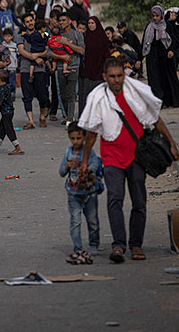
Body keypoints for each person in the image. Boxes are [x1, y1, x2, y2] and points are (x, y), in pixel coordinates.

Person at [79, 58, 179, 262]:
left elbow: (155, 119)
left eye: (119, 76)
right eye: (112, 77)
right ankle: (118, 245)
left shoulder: (136, 93)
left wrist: (171, 143)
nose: (116, 81)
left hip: (136, 158)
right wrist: (84, 160)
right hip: (112, 158)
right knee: (114, 198)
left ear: (124, 75)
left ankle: (136, 245)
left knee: (139, 201)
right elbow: (91, 134)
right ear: (104, 77)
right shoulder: (99, 98)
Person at [59, 122, 102, 264]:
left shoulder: (89, 152)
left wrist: (88, 169)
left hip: (90, 192)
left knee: (92, 220)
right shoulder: (68, 153)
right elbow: (61, 172)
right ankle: (78, 247)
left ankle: (94, 244)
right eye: (73, 138)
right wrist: (67, 166)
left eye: (79, 138)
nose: (76, 141)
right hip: (73, 193)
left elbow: (96, 164)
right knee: (75, 221)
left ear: (84, 137)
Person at [17, 13, 50, 129]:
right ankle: (31, 121)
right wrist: (34, 57)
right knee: (27, 95)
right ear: (24, 24)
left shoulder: (42, 34)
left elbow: (48, 51)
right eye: (27, 21)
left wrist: (39, 55)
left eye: (31, 20)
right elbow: (21, 51)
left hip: (40, 69)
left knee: (42, 94)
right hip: (26, 69)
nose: (30, 23)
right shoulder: (21, 36)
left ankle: (42, 117)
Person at [142, 5, 179, 107]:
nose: (155, 18)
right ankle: (158, 101)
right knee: (155, 79)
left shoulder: (167, 26)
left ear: (161, 15)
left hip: (165, 55)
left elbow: (174, 40)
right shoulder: (149, 27)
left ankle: (169, 101)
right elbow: (144, 43)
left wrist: (171, 50)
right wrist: (139, 59)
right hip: (152, 56)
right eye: (153, 16)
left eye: (157, 16)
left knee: (166, 78)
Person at [53, 11, 85, 124]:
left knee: (71, 93)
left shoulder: (77, 35)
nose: (61, 22)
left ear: (69, 21)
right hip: (60, 67)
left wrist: (67, 43)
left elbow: (81, 50)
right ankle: (67, 115)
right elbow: (48, 52)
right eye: (59, 20)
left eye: (63, 20)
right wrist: (61, 56)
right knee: (63, 95)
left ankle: (70, 119)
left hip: (74, 67)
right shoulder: (57, 35)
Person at [78, 17, 110, 116]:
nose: (91, 25)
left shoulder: (102, 37)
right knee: (85, 95)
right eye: (89, 23)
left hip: (99, 70)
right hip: (86, 71)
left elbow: (106, 53)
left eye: (93, 23)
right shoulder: (84, 36)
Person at [1, 28, 18, 95]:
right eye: (5, 36)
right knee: (5, 81)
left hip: (12, 66)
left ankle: (12, 93)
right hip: (4, 67)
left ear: (12, 36)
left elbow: (18, 55)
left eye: (9, 36)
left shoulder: (14, 45)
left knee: (12, 80)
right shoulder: (2, 45)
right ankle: (6, 93)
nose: (7, 38)